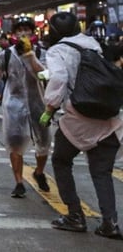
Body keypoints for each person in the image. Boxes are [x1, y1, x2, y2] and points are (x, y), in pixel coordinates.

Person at [39, 12, 123, 238]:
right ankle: (110, 223)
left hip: (77, 117)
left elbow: (58, 80)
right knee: (102, 172)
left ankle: (75, 215)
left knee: (61, 161)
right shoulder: (93, 44)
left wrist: (49, 109)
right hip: (107, 116)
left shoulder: (57, 51)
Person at [0, 17, 51, 198]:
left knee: (44, 144)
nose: (23, 33)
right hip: (13, 106)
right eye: (19, 30)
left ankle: (39, 172)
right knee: (15, 144)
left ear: (33, 33)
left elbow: (47, 75)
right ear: (14, 33)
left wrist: (30, 56)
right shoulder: (5, 55)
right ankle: (19, 182)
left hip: (39, 104)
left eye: (27, 30)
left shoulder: (42, 53)